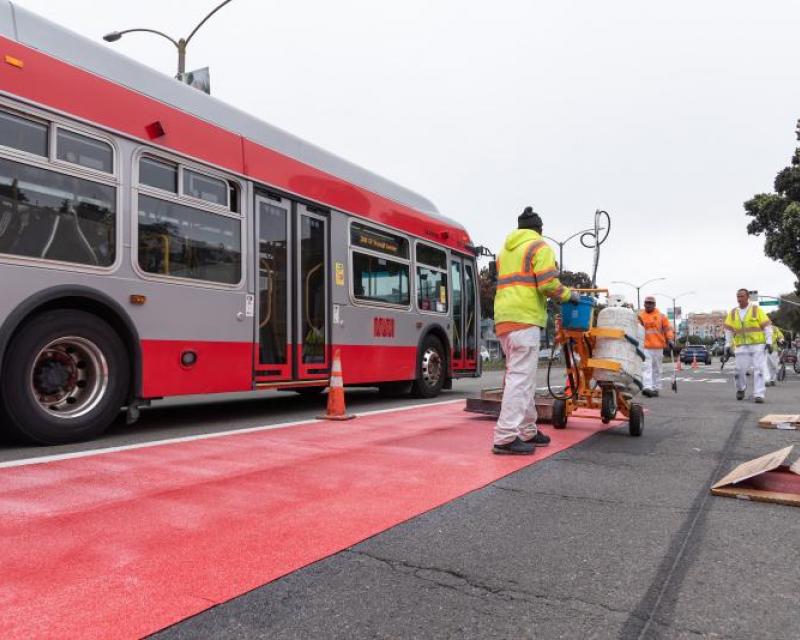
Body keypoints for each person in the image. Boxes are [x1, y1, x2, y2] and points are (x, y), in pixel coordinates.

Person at [492, 207, 579, 455]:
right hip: (525, 318)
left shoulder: (505, 251)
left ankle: (528, 431)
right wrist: (569, 295)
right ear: (539, 229)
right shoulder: (540, 247)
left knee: (521, 378)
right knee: (520, 379)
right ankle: (505, 437)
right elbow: (548, 284)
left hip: (504, 319)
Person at [723, 288, 772, 403]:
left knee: (759, 369)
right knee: (738, 370)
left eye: (741, 296)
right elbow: (728, 330)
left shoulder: (756, 309)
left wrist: (769, 342)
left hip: (757, 345)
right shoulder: (733, 312)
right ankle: (741, 389)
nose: (739, 299)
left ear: (747, 297)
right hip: (741, 346)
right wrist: (727, 344)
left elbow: (766, 326)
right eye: (737, 296)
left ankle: (759, 394)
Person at [637, 296, 675, 397]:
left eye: (651, 303)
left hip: (658, 347)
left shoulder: (661, 316)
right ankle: (647, 387)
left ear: (654, 305)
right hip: (645, 347)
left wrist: (670, 339)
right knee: (646, 367)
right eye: (647, 303)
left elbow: (668, 329)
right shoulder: (640, 316)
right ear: (644, 304)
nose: (648, 305)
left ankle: (656, 388)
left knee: (657, 368)